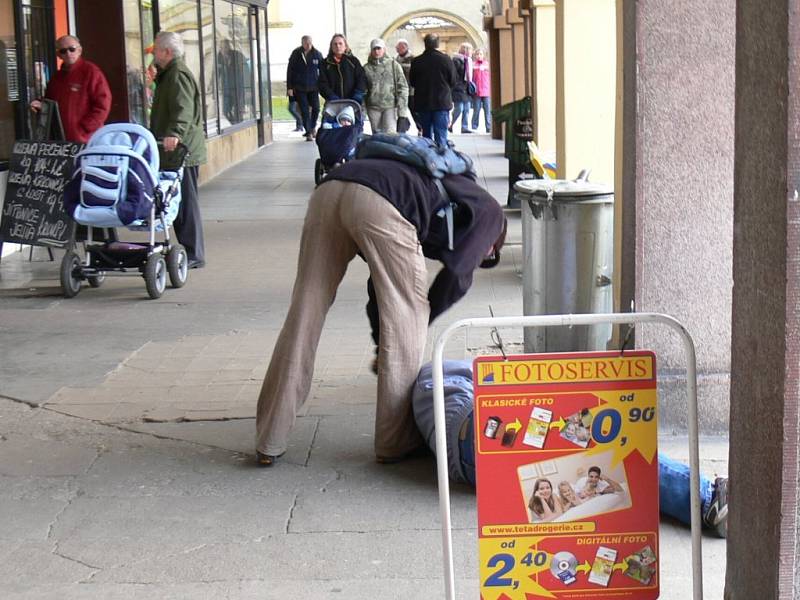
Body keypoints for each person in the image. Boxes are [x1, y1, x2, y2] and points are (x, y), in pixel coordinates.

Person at [254, 159, 505, 467]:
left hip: (330, 189)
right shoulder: (491, 214)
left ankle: (270, 438)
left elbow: (379, 282)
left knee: (305, 311)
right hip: (379, 201)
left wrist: (379, 344)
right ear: (493, 246)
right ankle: (394, 442)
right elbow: (457, 276)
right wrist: (419, 318)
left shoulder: (447, 191)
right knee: (407, 320)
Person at [411, 360, 730, 538]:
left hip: (471, 452)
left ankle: (704, 498)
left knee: (595, 446)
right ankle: (706, 498)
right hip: (482, 426)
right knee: (599, 438)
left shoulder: (430, 387)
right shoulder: (440, 371)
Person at [150, 30, 207, 269]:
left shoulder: (178, 75)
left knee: (185, 202)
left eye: (155, 50)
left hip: (183, 150)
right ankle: (190, 250)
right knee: (180, 200)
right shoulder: (169, 74)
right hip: (177, 149)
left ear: (167, 51)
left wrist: (174, 134)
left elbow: (182, 109)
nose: (153, 53)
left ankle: (193, 253)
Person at [30, 35, 111, 143]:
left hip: (86, 140)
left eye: (72, 49)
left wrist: (85, 127)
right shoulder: (56, 78)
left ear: (79, 50)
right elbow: (50, 103)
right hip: (60, 139)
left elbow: (103, 104)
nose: (68, 53)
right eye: (63, 51)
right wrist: (41, 105)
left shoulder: (91, 72)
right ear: (58, 55)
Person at [409, 33, 458, 146]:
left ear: (425, 44)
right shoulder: (445, 60)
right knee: (441, 134)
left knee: (426, 135)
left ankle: (428, 159)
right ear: (437, 44)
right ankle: (442, 158)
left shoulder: (417, 61)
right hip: (441, 102)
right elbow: (453, 81)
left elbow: (412, 82)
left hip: (423, 103)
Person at [363, 38, 409, 134]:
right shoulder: (366, 68)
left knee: (390, 135)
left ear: (384, 49)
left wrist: (402, 113)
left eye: (379, 48)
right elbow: (363, 90)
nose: (377, 51)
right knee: (377, 137)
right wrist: (362, 111)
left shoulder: (394, 65)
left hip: (390, 106)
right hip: (373, 107)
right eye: (374, 49)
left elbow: (403, 87)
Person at [287, 35, 324, 141]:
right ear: (302, 43)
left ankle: (312, 127)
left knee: (316, 108)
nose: (308, 45)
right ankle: (308, 132)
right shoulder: (296, 54)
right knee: (304, 110)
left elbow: (322, 71)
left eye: (310, 43)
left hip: (313, 87)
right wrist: (290, 87)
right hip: (299, 87)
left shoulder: (317, 54)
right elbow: (290, 70)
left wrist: (322, 85)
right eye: (306, 43)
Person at [318, 33, 367, 110]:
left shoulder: (353, 61)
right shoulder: (324, 64)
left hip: (352, 101)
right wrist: (330, 95)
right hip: (333, 102)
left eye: (340, 43)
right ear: (331, 46)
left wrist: (358, 93)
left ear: (345, 46)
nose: (338, 46)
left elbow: (361, 78)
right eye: (335, 44)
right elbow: (322, 83)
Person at [394, 38, 421, 133]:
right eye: (397, 48)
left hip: (411, 90)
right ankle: (404, 126)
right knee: (401, 110)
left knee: (414, 110)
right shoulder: (396, 59)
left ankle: (420, 127)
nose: (397, 49)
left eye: (399, 48)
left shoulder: (413, 59)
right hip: (399, 89)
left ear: (405, 47)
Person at [450, 42, 473, 134]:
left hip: (466, 87)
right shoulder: (456, 60)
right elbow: (454, 74)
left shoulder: (469, 60)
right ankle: (450, 124)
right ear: (466, 50)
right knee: (459, 108)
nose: (472, 52)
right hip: (458, 88)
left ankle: (464, 127)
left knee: (467, 108)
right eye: (470, 50)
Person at [471, 48, 491, 133]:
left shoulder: (487, 65)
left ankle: (488, 126)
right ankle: (474, 126)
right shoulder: (473, 65)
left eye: (480, 54)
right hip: (477, 91)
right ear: (475, 55)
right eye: (477, 54)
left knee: (487, 110)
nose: (479, 56)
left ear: (483, 55)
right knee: (476, 109)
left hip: (486, 90)